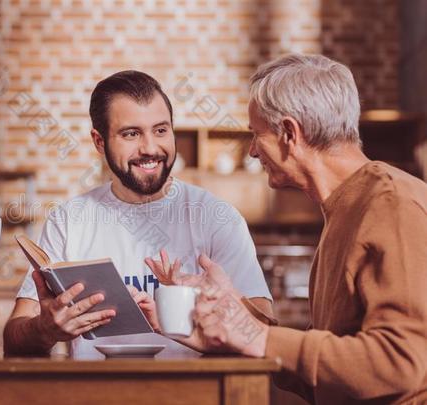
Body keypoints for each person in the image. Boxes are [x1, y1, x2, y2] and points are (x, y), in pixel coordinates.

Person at [146, 54, 427, 404]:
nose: (251, 151)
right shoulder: (343, 210)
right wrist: (235, 324)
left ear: (290, 134)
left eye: (256, 134)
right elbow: (326, 372)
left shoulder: (392, 204)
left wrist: (258, 337)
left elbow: (401, 363)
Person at [4, 70, 274, 358]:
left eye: (160, 130)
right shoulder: (69, 220)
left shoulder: (218, 217)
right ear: (99, 142)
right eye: (131, 134)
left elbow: (264, 335)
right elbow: (14, 340)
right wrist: (43, 330)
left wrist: (223, 308)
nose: (150, 148)